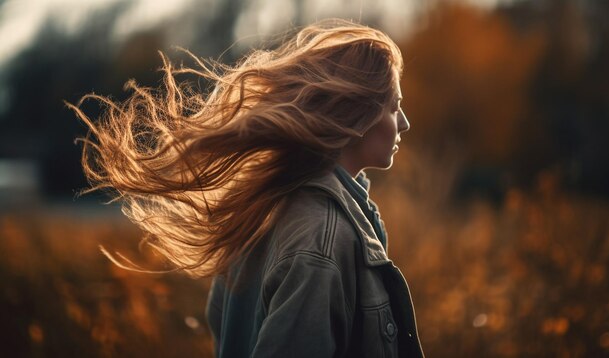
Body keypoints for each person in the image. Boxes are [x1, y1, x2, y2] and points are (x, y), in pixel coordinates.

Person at [70, 18, 424, 358]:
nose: (404, 123)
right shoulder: (324, 239)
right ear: (355, 115)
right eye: (394, 108)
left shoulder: (263, 206)